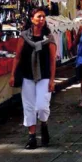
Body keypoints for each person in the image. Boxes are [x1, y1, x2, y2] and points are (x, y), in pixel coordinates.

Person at [9, 8, 57, 149]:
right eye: (39, 16)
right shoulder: (24, 37)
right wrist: (12, 74)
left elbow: (53, 59)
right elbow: (17, 57)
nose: (42, 19)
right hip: (27, 75)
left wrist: (52, 80)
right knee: (29, 106)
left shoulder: (49, 37)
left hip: (44, 76)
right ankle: (32, 137)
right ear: (32, 19)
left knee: (42, 106)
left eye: (43, 17)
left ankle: (44, 123)